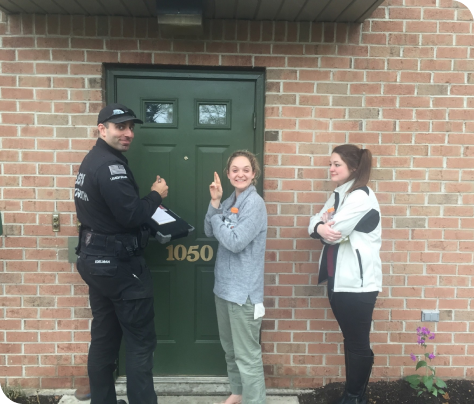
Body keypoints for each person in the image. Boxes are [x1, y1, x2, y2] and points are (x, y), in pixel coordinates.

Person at [74, 103, 169, 404]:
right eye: (120, 127)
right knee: (140, 343)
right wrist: (156, 195)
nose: (128, 133)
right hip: (119, 267)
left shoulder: (92, 160)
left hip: (95, 262)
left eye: (131, 127)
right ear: (102, 129)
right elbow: (131, 215)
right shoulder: (110, 166)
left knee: (104, 338)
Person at [308, 144, 382, 404]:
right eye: (331, 163)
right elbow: (315, 221)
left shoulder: (360, 196)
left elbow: (336, 232)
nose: (331, 168)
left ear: (353, 168)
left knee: (358, 342)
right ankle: (354, 395)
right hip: (339, 281)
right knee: (350, 339)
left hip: (358, 284)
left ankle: (354, 396)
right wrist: (319, 227)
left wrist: (324, 228)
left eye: (337, 164)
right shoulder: (339, 195)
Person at [204, 151, 267, 404]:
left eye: (245, 169)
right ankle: (239, 393)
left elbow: (236, 241)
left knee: (247, 356)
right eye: (234, 169)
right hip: (224, 289)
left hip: (244, 294)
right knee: (231, 351)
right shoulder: (230, 199)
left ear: (254, 174)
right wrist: (216, 203)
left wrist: (218, 217)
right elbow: (209, 230)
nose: (240, 174)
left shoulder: (255, 204)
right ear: (228, 174)